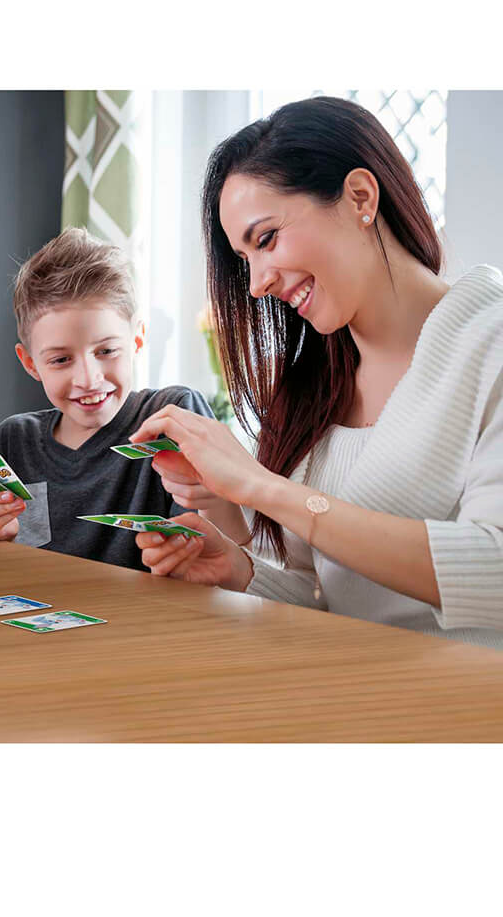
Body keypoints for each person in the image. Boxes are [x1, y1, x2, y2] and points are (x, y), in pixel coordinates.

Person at [131, 95, 503, 647]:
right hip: (341, 690)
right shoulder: (311, 383)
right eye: (244, 259)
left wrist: (262, 488)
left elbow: (493, 569)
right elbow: (319, 596)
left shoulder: (488, 339)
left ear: (359, 197)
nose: (256, 283)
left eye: (267, 238)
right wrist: (240, 571)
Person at [0, 227, 250, 572]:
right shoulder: (14, 439)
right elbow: (15, 565)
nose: (89, 379)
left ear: (137, 339)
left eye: (107, 350)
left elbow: (227, 555)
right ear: (30, 363)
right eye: (61, 360)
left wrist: (216, 502)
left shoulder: (174, 416)